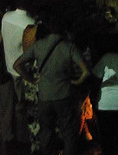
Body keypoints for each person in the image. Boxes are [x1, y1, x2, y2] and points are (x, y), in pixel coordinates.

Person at [13, 17, 90, 155]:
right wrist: (77, 81)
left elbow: (17, 65)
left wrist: (31, 79)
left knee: (46, 132)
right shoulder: (69, 46)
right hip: (63, 95)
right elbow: (86, 71)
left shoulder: (38, 46)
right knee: (68, 132)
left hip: (44, 96)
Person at [1, 0, 35, 147]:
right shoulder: (30, 23)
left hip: (6, 67)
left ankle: (10, 135)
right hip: (20, 71)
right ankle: (23, 139)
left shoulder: (6, 17)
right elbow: (30, 51)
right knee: (21, 108)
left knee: (8, 107)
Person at [92, 34, 118, 155]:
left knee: (106, 138)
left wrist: (93, 98)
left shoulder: (107, 58)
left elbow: (96, 78)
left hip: (105, 104)